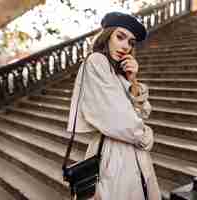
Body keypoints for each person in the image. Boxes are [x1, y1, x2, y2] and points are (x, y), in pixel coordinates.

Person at [67, 12, 161, 200]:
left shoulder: (118, 73)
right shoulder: (96, 61)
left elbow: (142, 113)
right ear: (107, 35)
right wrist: (145, 136)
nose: (125, 46)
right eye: (120, 37)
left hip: (133, 154)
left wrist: (132, 80)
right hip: (112, 153)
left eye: (131, 42)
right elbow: (117, 118)